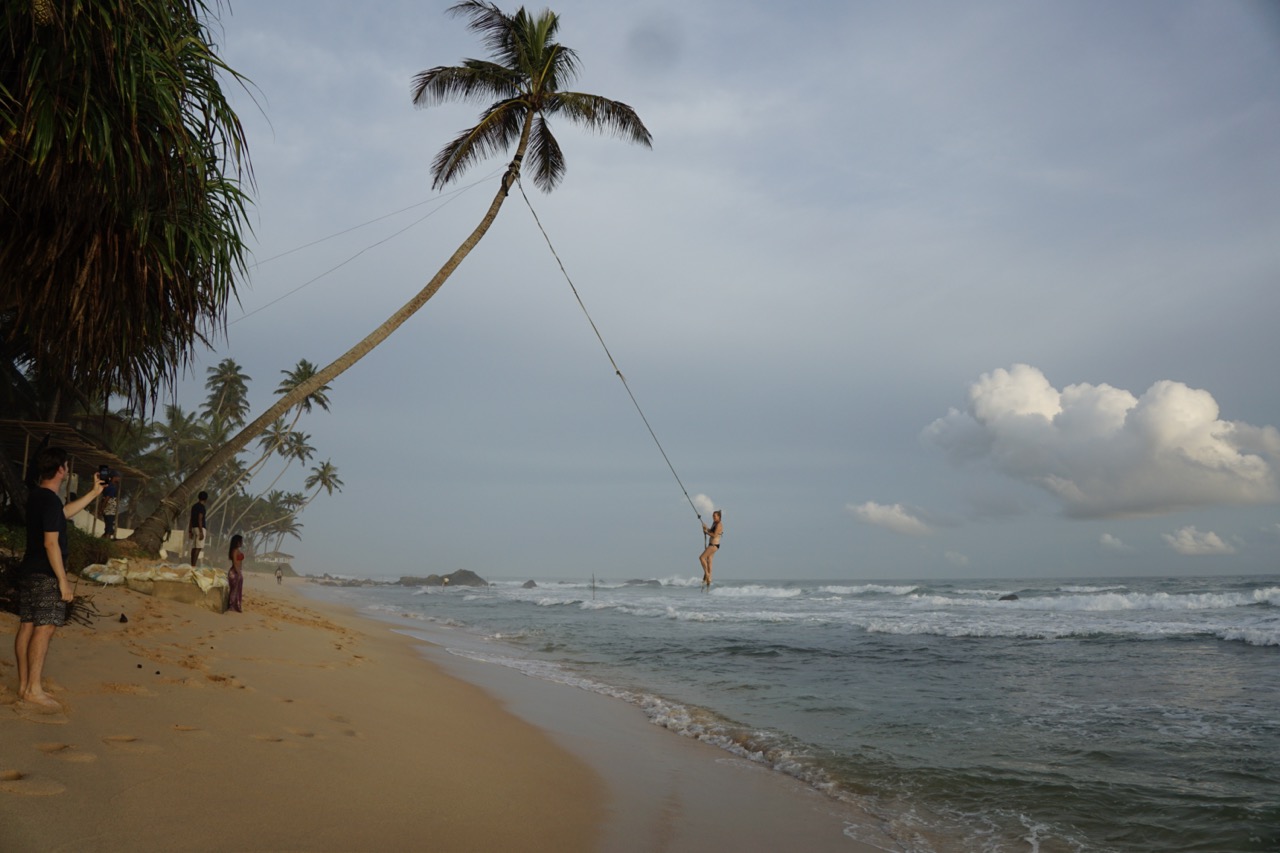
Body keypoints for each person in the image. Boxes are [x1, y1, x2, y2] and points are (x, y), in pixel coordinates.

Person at [14, 447, 105, 710]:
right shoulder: (49, 501)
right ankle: (33, 689)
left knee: (28, 624)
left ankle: (23, 686)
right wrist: (63, 581)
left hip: (30, 570)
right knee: (45, 627)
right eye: (66, 466)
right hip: (46, 574)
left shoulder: (38, 497)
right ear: (62, 470)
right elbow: (51, 543)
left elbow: (62, 515)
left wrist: (93, 493)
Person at [699, 510, 724, 589]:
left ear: (719, 517)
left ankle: (707, 575)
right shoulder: (714, 523)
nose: (713, 517)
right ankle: (709, 580)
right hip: (711, 544)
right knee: (709, 560)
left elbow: (714, 535)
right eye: (713, 516)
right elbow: (711, 531)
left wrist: (706, 532)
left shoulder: (719, 524)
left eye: (715, 516)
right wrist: (706, 528)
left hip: (714, 545)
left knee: (702, 558)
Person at [188, 491, 208, 566]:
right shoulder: (202, 507)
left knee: (195, 547)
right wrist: (201, 532)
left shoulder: (194, 506)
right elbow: (200, 518)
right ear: (206, 499)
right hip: (200, 528)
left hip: (194, 527)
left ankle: (192, 564)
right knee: (198, 548)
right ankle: (193, 565)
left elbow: (191, 519)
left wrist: (190, 531)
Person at [226, 534, 245, 613]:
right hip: (234, 572)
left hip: (237, 571)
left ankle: (236, 605)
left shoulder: (237, 550)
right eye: (240, 541)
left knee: (238, 589)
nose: (241, 543)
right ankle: (232, 605)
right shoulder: (234, 550)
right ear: (237, 542)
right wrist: (238, 572)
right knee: (234, 589)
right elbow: (235, 562)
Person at [101, 473, 120, 538]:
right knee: (110, 521)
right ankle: (107, 536)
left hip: (107, 504)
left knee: (108, 520)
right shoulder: (112, 487)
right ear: (114, 477)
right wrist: (103, 506)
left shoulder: (108, 484)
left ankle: (106, 534)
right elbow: (107, 497)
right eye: (118, 477)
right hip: (110, 505)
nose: (119, 479)